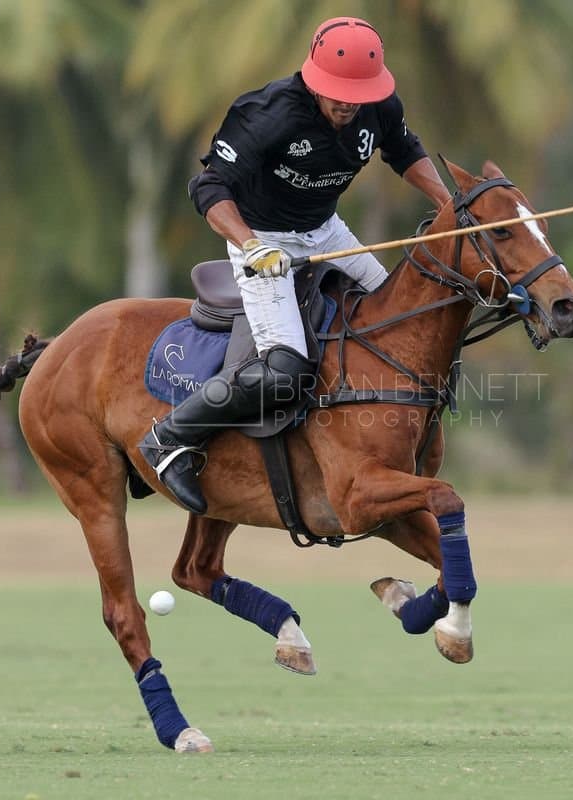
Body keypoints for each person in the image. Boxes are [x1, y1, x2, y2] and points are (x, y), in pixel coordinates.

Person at [141, 16, 452, 514]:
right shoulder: (267, 114)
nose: (348, 104)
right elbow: (209, 187)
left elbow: (404, 149)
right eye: (338, 94)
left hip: (327, 231)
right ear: (313, 78)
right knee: (283, 368)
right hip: (262, 239)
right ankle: (169, 437)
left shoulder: (378, 106)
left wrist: (450, 206)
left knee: (402, 318)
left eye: (358, 95)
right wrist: (249, 244)